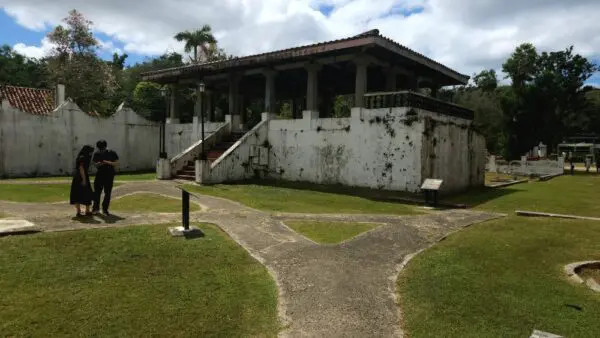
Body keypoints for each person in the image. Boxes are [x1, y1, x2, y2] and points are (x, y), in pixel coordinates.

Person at [92, 140, 119, 215]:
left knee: (107, 192)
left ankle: (105, 209)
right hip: (99, 174)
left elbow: (116, 163)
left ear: (105, 147)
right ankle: (96, 208)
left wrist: (108, 162)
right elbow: (94, 164)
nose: (101, 150)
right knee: (97, 192)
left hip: (109, 175)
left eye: (102, 149)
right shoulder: (97, 153)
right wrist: (99, 164)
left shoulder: (111, 152)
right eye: (100, 149)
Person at [70, 145, 95, 217]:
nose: (91, 153)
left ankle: (79, 211)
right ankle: (86, 210)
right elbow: (81, 168)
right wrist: (84, 179)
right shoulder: (83, 158)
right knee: (87, 192)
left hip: (77, 177)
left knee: (77, 193)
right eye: (90, 152)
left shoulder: (81, 156)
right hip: (81, 176)